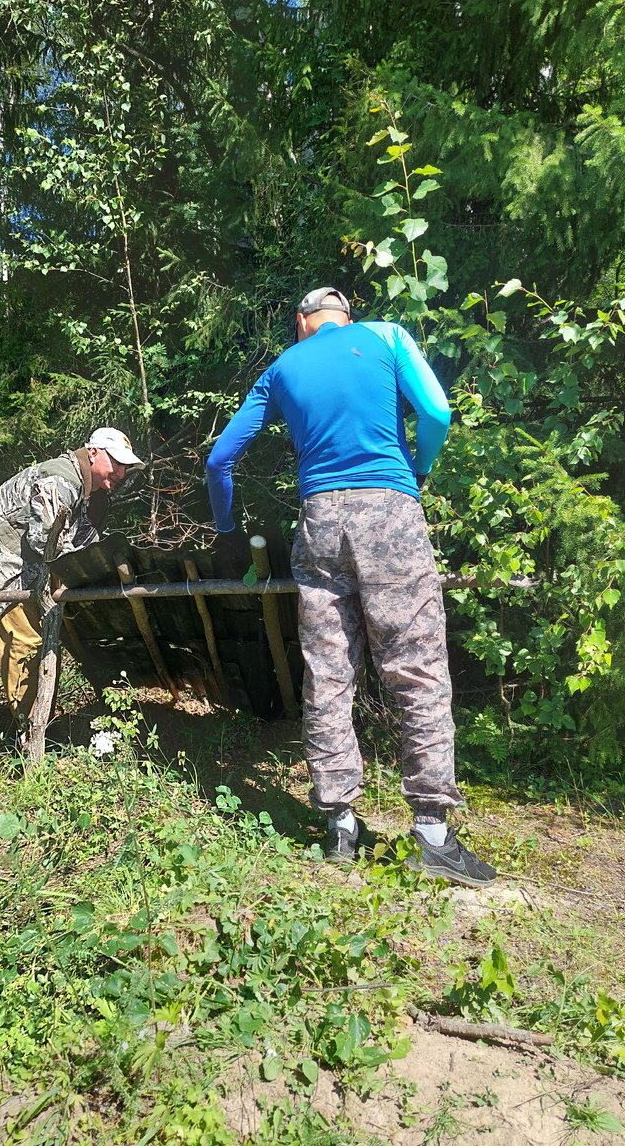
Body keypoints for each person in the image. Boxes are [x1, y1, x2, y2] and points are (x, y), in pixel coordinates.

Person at [206, 287, 496, 887]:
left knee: (329, 670)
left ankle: (340, 823)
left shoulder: (283, 367)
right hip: (389, 508)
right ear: (348, 316)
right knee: (416, 666)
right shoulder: (386, 336)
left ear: (301, 322)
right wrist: (418, 469)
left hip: (319, 522)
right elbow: (437, 412)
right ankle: (434, 836)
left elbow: (219, 461)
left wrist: (229, 529)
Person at [0, 428, 144, 726]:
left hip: (36, 567)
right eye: (116, 463)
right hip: (3, 563)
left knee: (45, 639)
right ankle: (28, 732)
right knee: (25, 642)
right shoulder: (61, 479)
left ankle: (42, 721)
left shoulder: (94, 494)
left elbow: (84, 544)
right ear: (93, 453)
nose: (120, 473)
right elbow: (46, 541)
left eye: (125, 467)